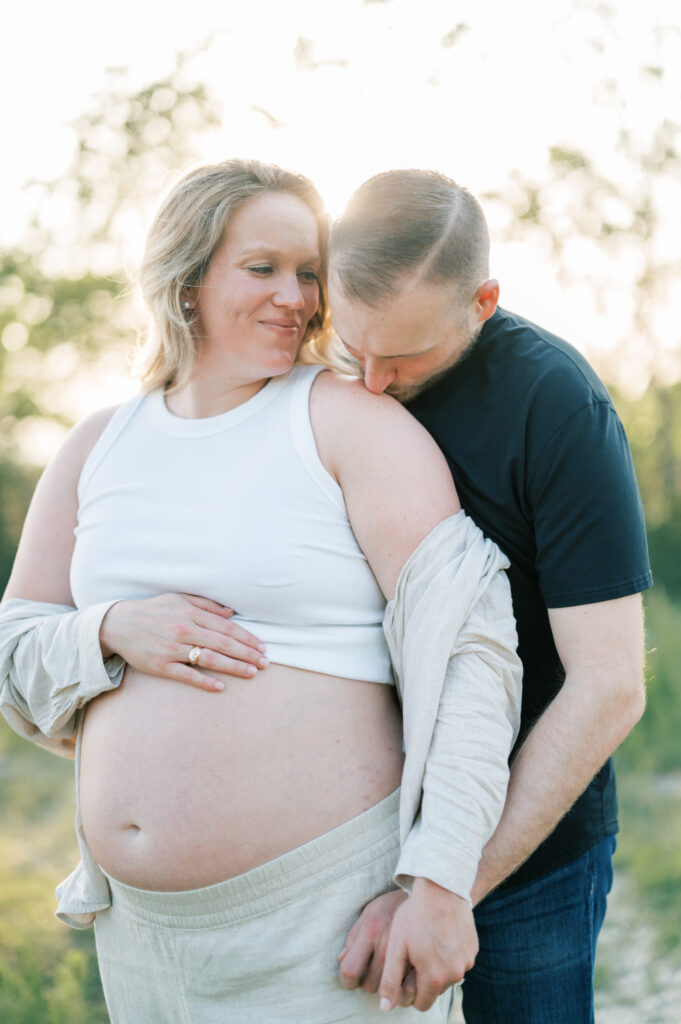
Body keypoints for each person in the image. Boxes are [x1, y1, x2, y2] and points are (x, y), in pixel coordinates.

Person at [0, 160, 522, 1023]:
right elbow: (15, 644)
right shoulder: (97, 442)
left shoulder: (347, 422)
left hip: (325, 931)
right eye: (262, 268)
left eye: (310, 272)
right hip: (141, 937)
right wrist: (109, 629)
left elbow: (474, 653)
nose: (298, 296)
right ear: (186, 278)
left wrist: (440, 884)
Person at [325, 168, 650, 1023]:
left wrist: (448, 885)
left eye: (402, 358)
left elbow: (609, 685)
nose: (369, 381)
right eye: (351, 344)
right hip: (343, 845)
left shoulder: (556, 405)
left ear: (482, 301)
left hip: (522, 851)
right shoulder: (312, 369)